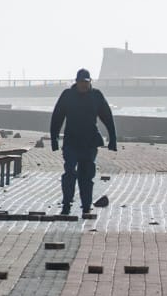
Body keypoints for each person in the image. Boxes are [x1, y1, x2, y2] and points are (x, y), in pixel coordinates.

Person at [49, 67, 117, 218]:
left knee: (87, 176)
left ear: (90, 82)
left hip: (89, 143)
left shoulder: (96, 95)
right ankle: (66, 204)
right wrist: (54, 139)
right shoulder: (67, 95)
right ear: (76, 82)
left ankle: (86, 206)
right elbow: (57, 117)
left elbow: (107, 117)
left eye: (86, 82)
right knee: (69, 173)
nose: (83, 85)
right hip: (71, 142)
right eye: (81, 82)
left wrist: (113, 138)